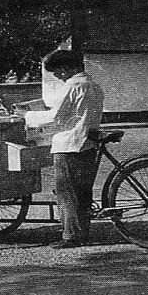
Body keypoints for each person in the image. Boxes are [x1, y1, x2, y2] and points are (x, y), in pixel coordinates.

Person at [25, 50, 104, 248]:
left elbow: (55, 116)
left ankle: (70, 236)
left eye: (58, 72)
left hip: (69, 143)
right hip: (88, 141)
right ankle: (82, 232)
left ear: (67, 68)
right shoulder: (93, 85)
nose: (59, 76)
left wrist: (27, 116)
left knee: (66, 192)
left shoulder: (73, 86)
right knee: (83, 192)